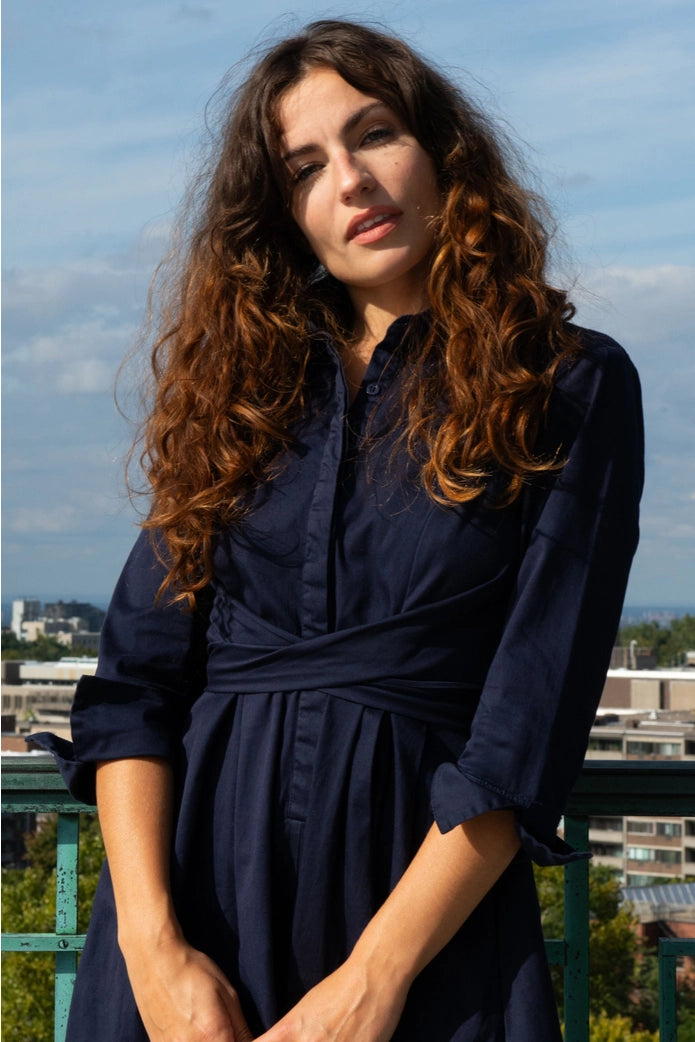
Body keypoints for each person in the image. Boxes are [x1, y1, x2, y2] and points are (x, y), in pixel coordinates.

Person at [33, 18, 644, 1042]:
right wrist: (152, 949)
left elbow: (524, 729)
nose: (351, 181)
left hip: (421, 928)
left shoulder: (566, 383)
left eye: (374, 134)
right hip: (189, 918)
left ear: (439, 151)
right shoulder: (236, 386)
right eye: (305, 167)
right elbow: (135, 685)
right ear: (283, 215)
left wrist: (374, 979)